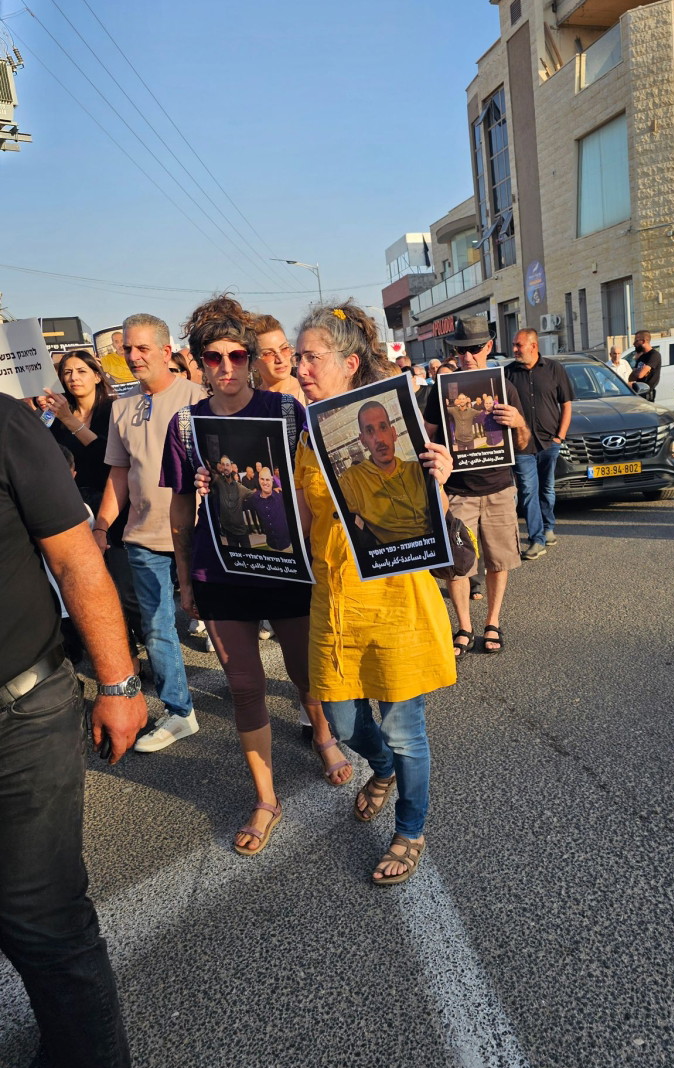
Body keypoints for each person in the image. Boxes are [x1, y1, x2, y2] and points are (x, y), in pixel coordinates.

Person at [0, 394, 146, 1068]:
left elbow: (75, 555)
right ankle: (62, 1038)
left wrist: (119, 684)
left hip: (19, 713)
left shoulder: (5, 424)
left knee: (43, 921)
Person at [164, 295, 341, 856]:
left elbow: (318, 482)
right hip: (220, 570)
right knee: (244, 685)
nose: (226, 368)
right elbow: (179, 510)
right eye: (213, 358)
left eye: (236, 356)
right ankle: (266, 798)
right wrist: (184, 579)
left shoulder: (286, 412)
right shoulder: (186, 425)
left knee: (304, 670)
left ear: (251, 358)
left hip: (286, 567)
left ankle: (323, 735)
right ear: (199, 363)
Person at [292, 301, 456, 883]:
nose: (301, 368)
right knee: (341, 722)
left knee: (406, 730)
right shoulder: (304, 436)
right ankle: (380, 767)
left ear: (349, 362)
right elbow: (300, 518)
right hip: (335, 602)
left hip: (396, 602)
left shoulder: (403, 433)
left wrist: (440, 479)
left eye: (311, 357)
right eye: (298, 358)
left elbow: (432, 521)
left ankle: (410, 830)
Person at [94, 313, 206, 752]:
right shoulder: (121, 408)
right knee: (157, 628)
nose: (133, 356)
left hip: (197, 534)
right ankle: (180, 712)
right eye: (127, 348)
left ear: (165, 351)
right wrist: (103, 525)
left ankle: (254, 703)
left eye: (142, 347)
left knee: (221, 627)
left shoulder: (198, 399)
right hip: (142, 538)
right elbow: (119, 474)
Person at [424, 315, 531, 655]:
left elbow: (524, 443)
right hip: (458, 490)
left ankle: (492, 622)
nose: (468, 356)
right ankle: (464, 627)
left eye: (475, 348)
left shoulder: (504, 386)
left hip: (499, 487)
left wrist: (518, 421)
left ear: (489, 346)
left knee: (499, 560)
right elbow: (427, 436)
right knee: (458, 564)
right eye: (461, 350)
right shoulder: (441, 390)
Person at [40, 349, 145, 665]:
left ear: (97, 376)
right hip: (75, 508)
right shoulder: (55, 416)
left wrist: (69, 420)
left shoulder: (113, 410)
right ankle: (124, 658)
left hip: (114, 505)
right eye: (67, 372)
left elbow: (107, 456)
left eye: (81, 371)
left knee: (125, 589)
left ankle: (146, 642)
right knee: (92, 588)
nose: (74, 378)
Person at [506, 327, 573, 559]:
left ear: (533, 346)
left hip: (549, 442)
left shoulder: (555, 369)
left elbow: (566, 404)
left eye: (518, 345)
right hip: (521, 445)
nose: (514, 349)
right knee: (528, 490)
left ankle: (548, 527)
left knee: (547, 488)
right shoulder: (508, 374)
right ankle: (537, 539)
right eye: (514, 345)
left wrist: (559, 437)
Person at [338, 400, 432, 544]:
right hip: (390, 556)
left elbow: (441, 513)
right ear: (363, 440)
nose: (379, 439)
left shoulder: (417, 469)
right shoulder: (352, 480)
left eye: (383, 427)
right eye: (370, 431)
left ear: (393, 433)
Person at [250, 313, 305, 403]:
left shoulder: (310, 393)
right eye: (268, 353)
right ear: (253, 361)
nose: (280, 359)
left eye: (284, 348)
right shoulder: (250, 403)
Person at [628, 330, 661, 401]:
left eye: (636, 341)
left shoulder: (654, 355)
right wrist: (638, 372)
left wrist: (638, 372)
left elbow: (640, 375)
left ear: (643, 341)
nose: (634, 344)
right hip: (638, 393)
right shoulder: (641, 357)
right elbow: (631, 378)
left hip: (647, 394)